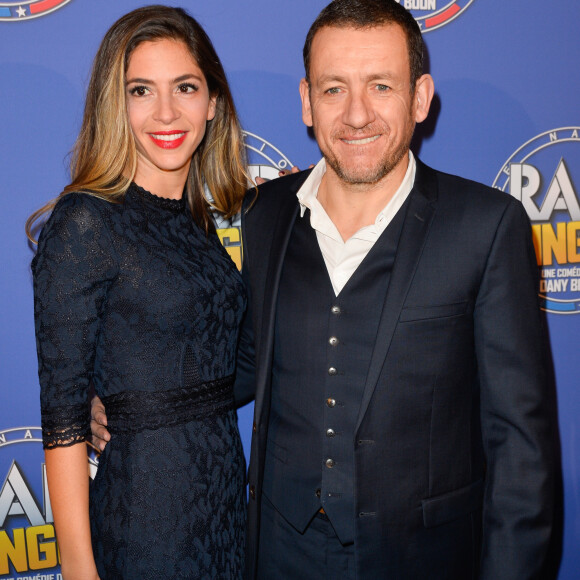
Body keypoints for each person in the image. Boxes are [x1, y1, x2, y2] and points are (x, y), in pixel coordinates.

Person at [93, 0, 555, 578]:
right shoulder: (266, 213)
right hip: (277, 553)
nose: (357, 115)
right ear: (307, 102)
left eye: (380, 85)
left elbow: (521, 450)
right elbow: (241, 361)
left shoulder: (486, 226)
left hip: (421, 558)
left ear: (420, 96)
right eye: (334, 89)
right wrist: (131, 405)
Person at [28, 6, 249, 579]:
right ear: (114, 104)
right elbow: (64, 416)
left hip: (226, 509)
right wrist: (79, 568)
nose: (167, 112)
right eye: (141, 90)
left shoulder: (196, 224)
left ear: (213, 103)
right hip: (148, 515)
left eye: (185, 87)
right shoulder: (87, 221)